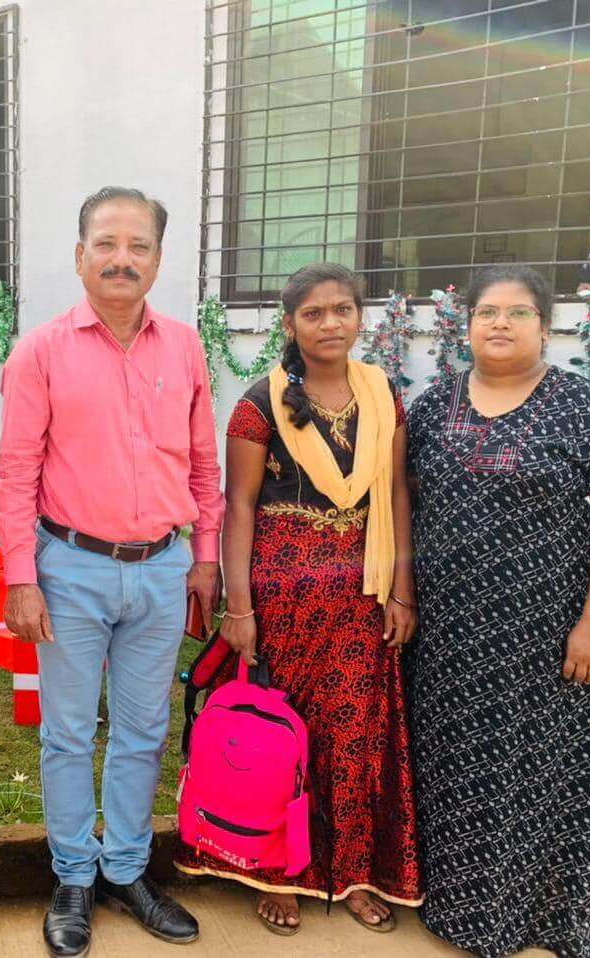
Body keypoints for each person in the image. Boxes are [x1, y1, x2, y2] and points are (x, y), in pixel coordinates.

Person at [0, 186, 223, 957]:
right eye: (107, 244)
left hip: (161, 570)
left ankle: (125, 869)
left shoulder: (183, 347)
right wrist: (21, 577)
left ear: (157, 259)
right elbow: (15, 472)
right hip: (69, 570)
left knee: (143, 729)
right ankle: (72, 877)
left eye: (139, 246)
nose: (122, 259)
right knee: (66, 733)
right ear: (80, 254)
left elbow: (203, 464)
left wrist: (205, 558)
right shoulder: (40, 351)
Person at [406, 265, 590, 958]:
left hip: (545, 636)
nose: (500, 323)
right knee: (455, 770)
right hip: (450, 636)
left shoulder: (583, 407)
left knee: (537, 773)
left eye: (518, 312)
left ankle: (538, 917)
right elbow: (408, 501)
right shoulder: (434, 405)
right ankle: (457, 908)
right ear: (468, 324)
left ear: (545, 326)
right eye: (487, 311)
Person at [176, 262, 423, 934]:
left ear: (360, 318)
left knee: (353, 737)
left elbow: (396, 496)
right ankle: (275, 872)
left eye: (343, 309)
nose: (330, 323)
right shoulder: (260, 404)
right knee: (281, 738)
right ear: (290, 325)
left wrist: (403, 591)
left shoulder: (382, 396)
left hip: (361, 599)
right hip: (282, 602)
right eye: (313, 313)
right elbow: (239, 507)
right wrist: (239, 608)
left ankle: (352, 873)